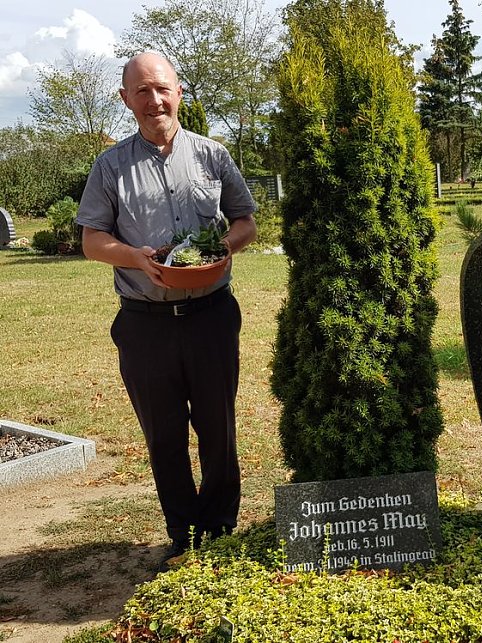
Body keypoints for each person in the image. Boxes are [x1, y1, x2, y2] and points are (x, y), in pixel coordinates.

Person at [76, 52, 257, 570]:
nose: (153, 100)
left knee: (218, 427)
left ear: (179, 91)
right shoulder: (110, 166)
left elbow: (246, 221)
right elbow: (92, 240)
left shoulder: (213, 155)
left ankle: (220, 528)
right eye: (141, 91)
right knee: (163, 432)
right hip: (145, 324)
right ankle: (183, 533)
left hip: (211, 316)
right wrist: (133, 256)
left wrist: (225, 246)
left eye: (162, 88)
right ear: (125, 99)